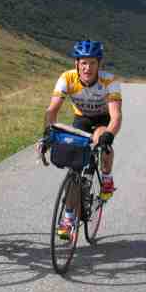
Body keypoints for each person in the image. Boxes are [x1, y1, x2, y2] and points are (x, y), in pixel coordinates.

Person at [43, 40, 122, 238]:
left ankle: (107, 178)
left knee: (102, 142)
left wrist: (109, 135)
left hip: (103, 119)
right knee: (74, 170)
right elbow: (52, 109)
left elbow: (116, 116)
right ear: (77, 63)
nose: (88, 67)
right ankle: (68, 218)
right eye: (83, 63)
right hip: (82, 119)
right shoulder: (67, 78)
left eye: (92, 63)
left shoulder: (109, 81)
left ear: (99, 64)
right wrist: (47, 133)